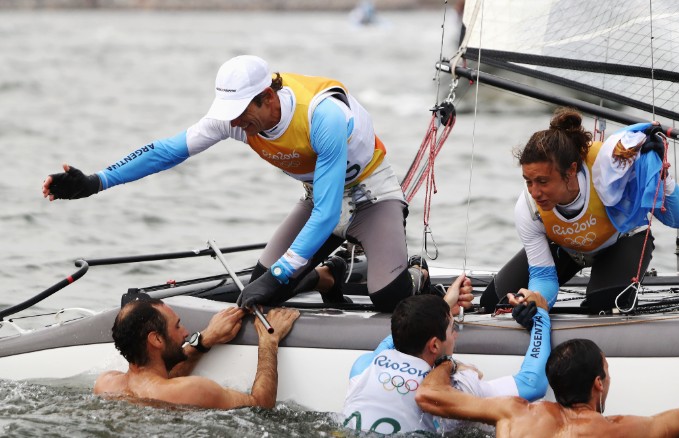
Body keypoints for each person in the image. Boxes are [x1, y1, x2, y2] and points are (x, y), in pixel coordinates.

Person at [42, 55, 430, 312]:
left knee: (388, 302)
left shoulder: (322, 115)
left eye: (242, 113)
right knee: (262, 285)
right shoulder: (236, 116)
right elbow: (166, 151)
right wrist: (97, 181)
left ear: (267, 97)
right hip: (319, 198)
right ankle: (328, 274)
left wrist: (283, 273)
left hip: (370, 197)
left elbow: (330, 213)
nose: (234, 123)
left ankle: (416, 275)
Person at [417, 302, 679, 437]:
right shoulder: (617, 430)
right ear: (598, 383)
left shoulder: (512, 413)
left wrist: (446, 359)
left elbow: (430, 395)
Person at [480, 107, 679, 313]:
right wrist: (535, 303)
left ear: (571, 170)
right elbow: (543, 277)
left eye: (543, 181)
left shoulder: (611, 168)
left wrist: (661, 173)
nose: (534, 192)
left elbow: (678, 219)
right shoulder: (528, 208)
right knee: (496, 302)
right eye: (528, 181)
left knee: (604, 304)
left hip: (623, 240)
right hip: (568, 250)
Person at [342, 274, 551, 435]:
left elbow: (397, 335)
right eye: (452, 328)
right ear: (434, 346)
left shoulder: (364, 367)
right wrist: (541, 316)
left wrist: (443, 306)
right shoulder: (454, 389)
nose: (455, 335)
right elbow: (533, 383)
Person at [94, 297, 299, 409]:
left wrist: (204, 340)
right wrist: (268, 341)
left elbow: (158, 381)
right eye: (177, 326)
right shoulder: (195, 389)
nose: (185, 332)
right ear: (156, 339)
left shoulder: (105, 384)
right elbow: (261, 406)